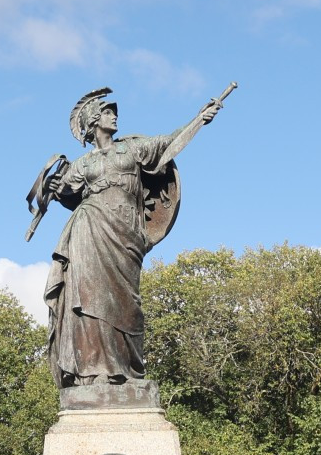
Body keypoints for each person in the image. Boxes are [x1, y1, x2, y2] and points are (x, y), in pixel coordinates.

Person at [34, 87, 226, 387]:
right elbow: (63, 191)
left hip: (125, 234)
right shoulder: (83, 164)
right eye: (109, 112)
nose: (115, 116)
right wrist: (53, 186)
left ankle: (127, 370)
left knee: (125, 303)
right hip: (88, 228)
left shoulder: (132, 149)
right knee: (86, 296)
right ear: (95, 120)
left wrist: (199, 119)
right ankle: (92, 372)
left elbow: (168, 142)